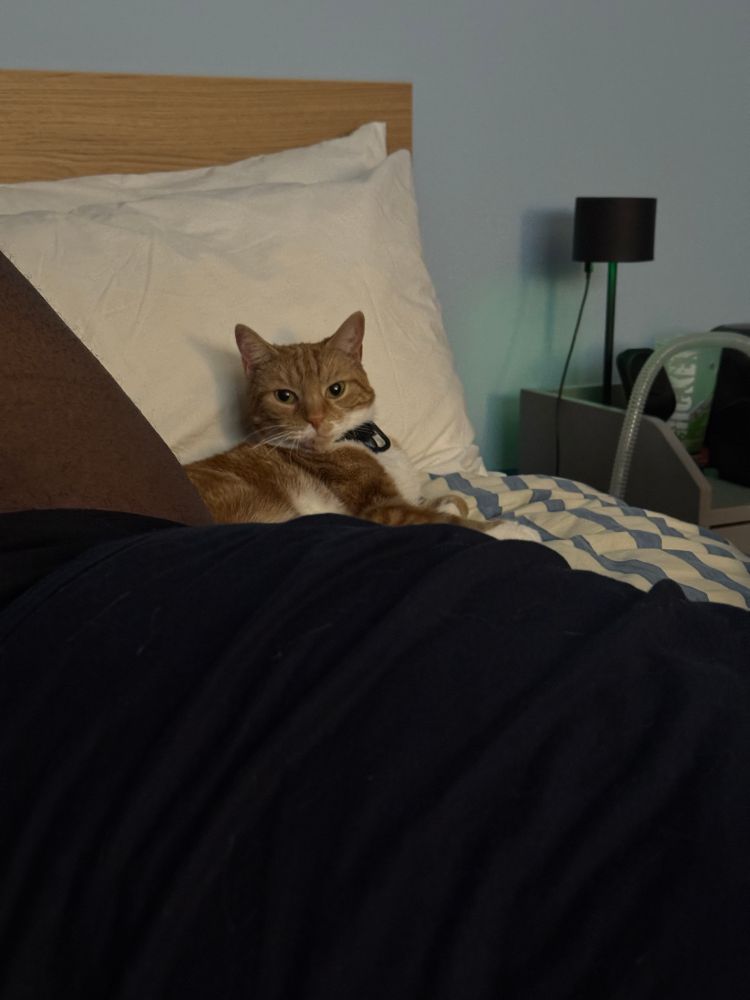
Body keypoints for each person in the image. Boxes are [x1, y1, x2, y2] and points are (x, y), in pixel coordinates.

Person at [1, 249, 749, 999]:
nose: (319, 418)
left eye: (333, 392)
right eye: (288, 400)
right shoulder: (299, 460)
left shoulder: (363, 446)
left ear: (359, 375)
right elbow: (389, 519)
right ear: (258, 398)